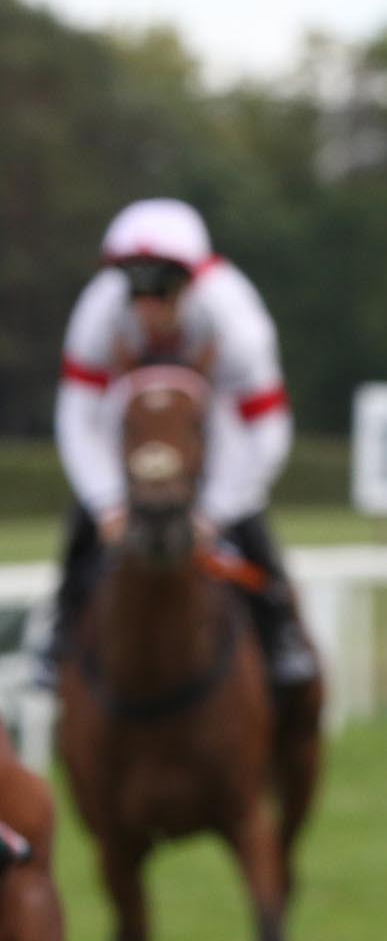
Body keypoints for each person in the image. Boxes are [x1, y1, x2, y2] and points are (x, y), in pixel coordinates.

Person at [51, 199, 317, 692]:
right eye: (135, 287)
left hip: (216, 438)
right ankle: (57, 638)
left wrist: (214, 513)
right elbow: (79, 417)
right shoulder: (99, 311)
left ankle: (282, 634)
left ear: (192, 280)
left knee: (255, 538)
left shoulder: (237, 322)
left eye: (162, 287)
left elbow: (265, 430)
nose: (147, 304)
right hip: (129, 433)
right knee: (80, 539)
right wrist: (107, 504)